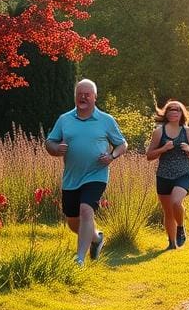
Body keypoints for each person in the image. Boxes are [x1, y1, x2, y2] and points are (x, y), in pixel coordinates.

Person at [45, 79, 128, 266]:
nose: (83, 97)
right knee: (73, 221)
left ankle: (79, 259)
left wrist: (112, 156)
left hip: (96, 174)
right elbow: (49, 142)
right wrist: (56, 148)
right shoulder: (64, 119)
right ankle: (96, 239)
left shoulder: (106, 120)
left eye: (87, 94)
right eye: (79, 94)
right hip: (71, 177)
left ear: (95, 97)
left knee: (86, 210)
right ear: (75, 97)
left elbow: (122, 144)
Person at [146, 99, 189, 249]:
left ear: (181, 113)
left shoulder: (187, 131)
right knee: (168, 211)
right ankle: (171, 243)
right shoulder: (159, 132)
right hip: (163, 175)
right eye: (170, 110)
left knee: (176, 202)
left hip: (183, 173)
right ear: (166, 113)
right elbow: (149, 155)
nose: (173, 112)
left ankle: (181, 228)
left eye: (177, 110)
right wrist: (163, 149)